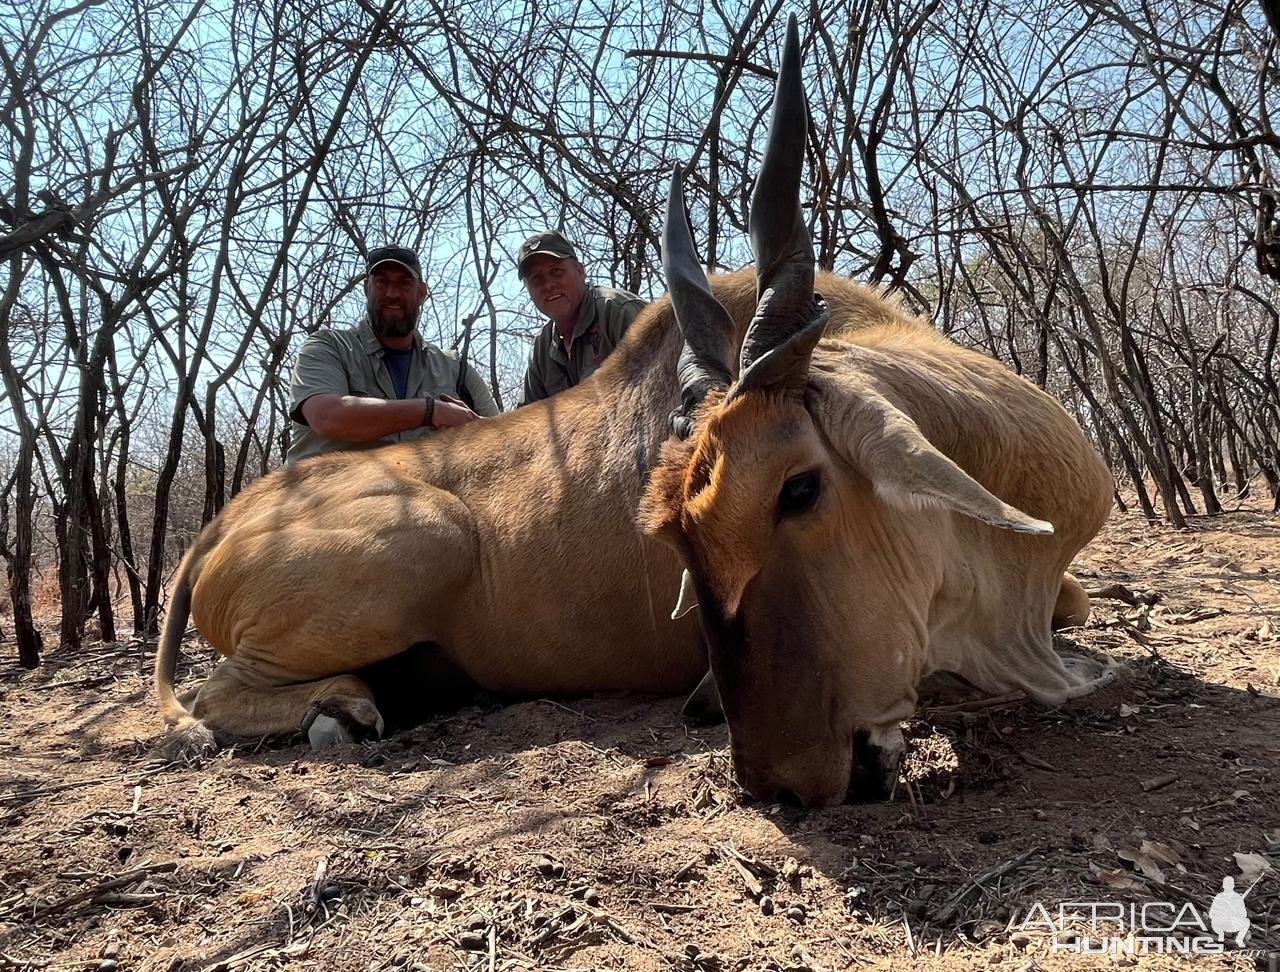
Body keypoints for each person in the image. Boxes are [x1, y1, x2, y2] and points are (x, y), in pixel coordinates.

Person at [287, 245, 498, 464]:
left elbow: (500, 438)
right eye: (381, 282)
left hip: (418, 494)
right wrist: (431, 411)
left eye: (404, 283)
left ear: (421, 293)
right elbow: (327, 417)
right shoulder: (327, 346)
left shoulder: (455, 368)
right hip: (323, 493)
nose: (392, 293)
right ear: (367, 287)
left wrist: (472, 430)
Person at [516, 230, 646, 406]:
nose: (548, 285)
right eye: (536, 280)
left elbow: (666, 385)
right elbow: (525, 422)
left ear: (580, 271)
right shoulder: (542, 348)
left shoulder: (619, 311)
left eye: (556, 271)